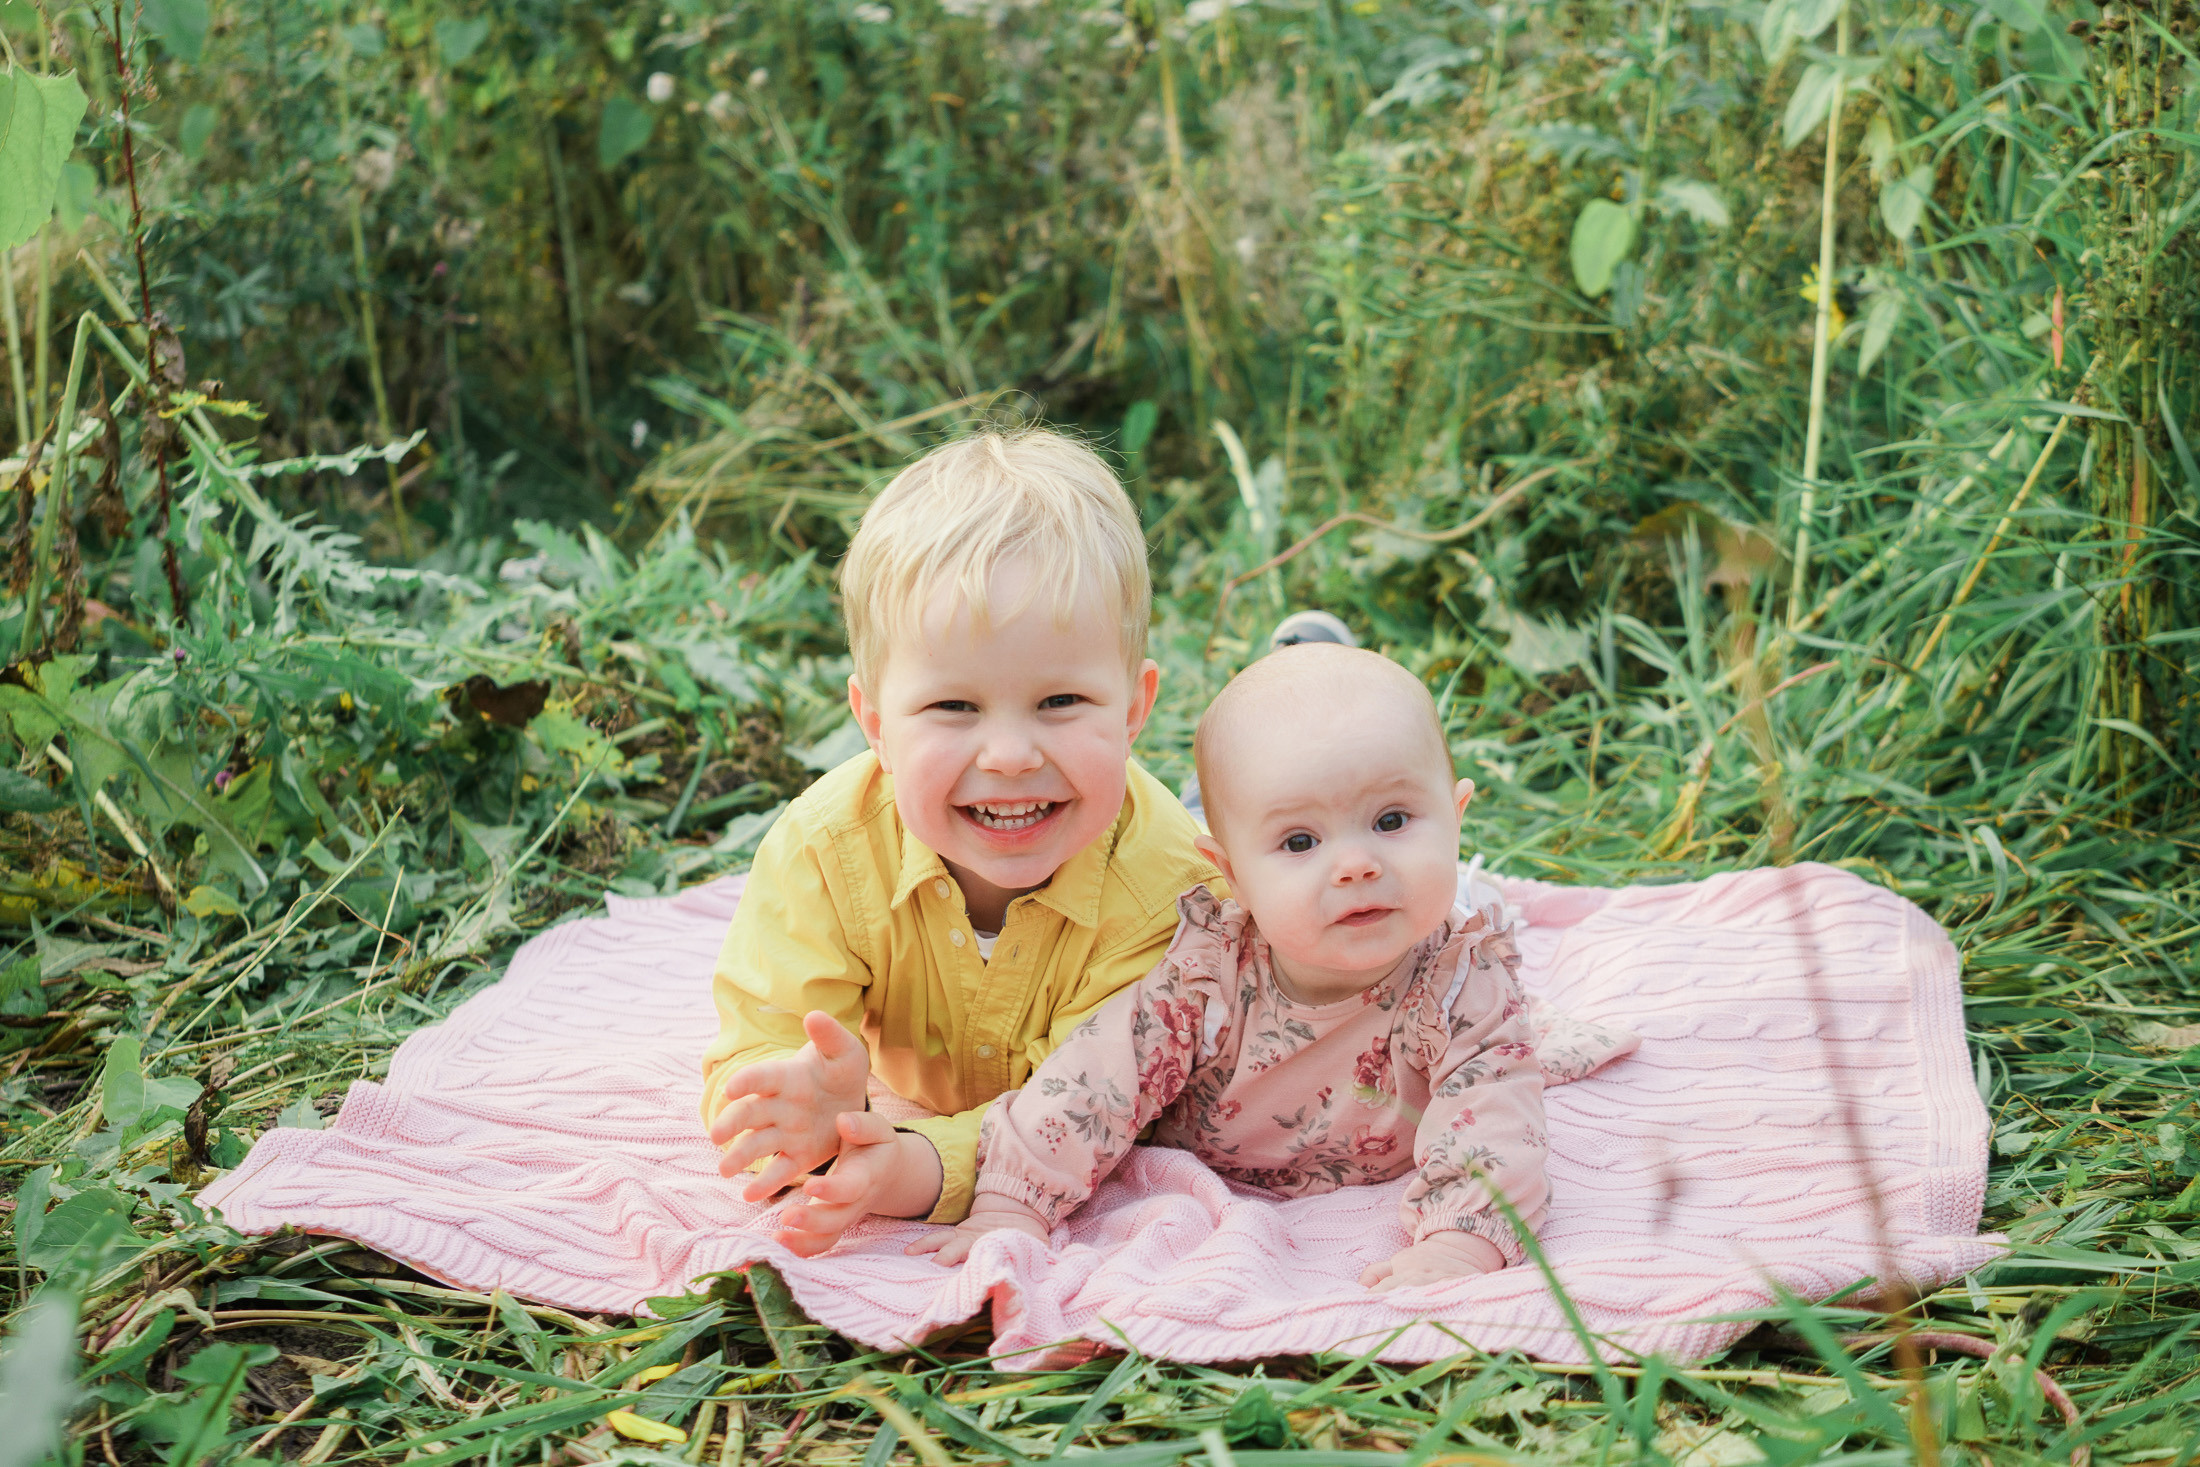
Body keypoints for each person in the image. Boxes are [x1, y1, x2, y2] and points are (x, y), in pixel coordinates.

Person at [913, 644, 1635, 1289]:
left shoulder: (1461, 983)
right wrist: (1014, 1197)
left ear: (1456, 814)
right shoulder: (1207, 980)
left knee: (1467, 913)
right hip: (1221, 1101)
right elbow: (1096, 1080)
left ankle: (1315, 682)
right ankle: (1285, 690)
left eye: (1392, 821)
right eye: (1300, 841)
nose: (1355, 864)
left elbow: (1496, 1121)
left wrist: (1460, 1236)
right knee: (1245, 790)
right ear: (1230, 876)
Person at [700, 427, 1218, 1257]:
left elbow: (1085, 1110)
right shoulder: (824, 851)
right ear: (873, 723)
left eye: (1060, 701)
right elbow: (758, 1042)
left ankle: (1299, 683)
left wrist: (914, 1164)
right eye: (953, 708)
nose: (1009, 755)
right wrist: (796, 1102)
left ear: (1132, 707)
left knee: (1277, 858)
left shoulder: (1171, 889)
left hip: (1183, 850)